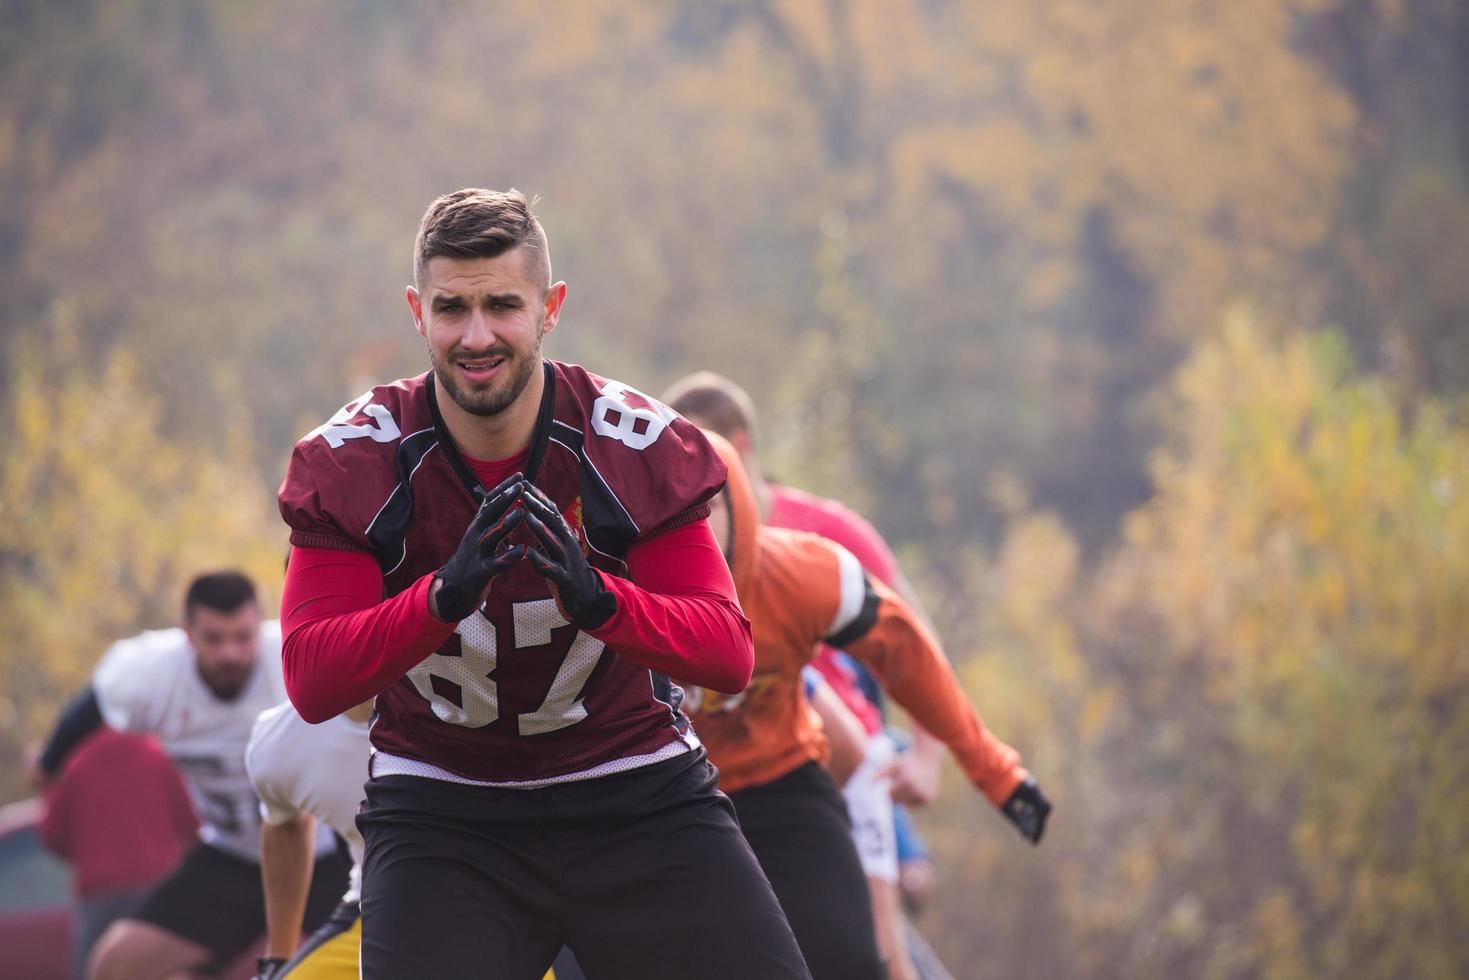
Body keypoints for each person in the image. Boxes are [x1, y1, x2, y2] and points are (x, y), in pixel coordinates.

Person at [275, 188, 810, 979]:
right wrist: (439, 598)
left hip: (634, 789)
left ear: (550, 307)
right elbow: (312, 680)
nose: (477, 335)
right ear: (417, 312)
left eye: (503, 305)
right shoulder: (355, 459)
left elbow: (726, 652)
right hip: (444, 812)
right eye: (452, 308)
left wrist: (601, 601)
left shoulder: (629, 443)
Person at [680, 431, 1051, 979]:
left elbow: (906, 647)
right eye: (673, 509)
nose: (692, 530)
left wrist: (989, 766)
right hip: (673, 797)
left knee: (854, 959)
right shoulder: (618, 584)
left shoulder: (806, 573)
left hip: (785, 782)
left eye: (706, 508)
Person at [666, 371, 961, 976]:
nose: (696, 512)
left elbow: (910, 643)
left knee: (869, 953)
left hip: (823, 760)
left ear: (740, 449)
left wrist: (929, 757)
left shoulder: (817, 544)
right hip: (702, 792)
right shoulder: (651, 568)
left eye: (711, 495)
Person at [34, 572, 350, 980]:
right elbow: (96, 699)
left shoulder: (291, 659)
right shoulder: (152, 674)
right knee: (117, 966)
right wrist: (50, 760)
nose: (231, 653)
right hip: (231, 855)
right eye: (214, 639)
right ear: (187, 634)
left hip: (319, 854)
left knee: (382, 959)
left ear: (261, 628)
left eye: (242, 637)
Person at [35, 729, 198, 978]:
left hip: (100, 899)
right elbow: (191, 824)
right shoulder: (158, 757)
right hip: (157, 894)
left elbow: (54, 837)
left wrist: (45, 786)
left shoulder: (77, 764)